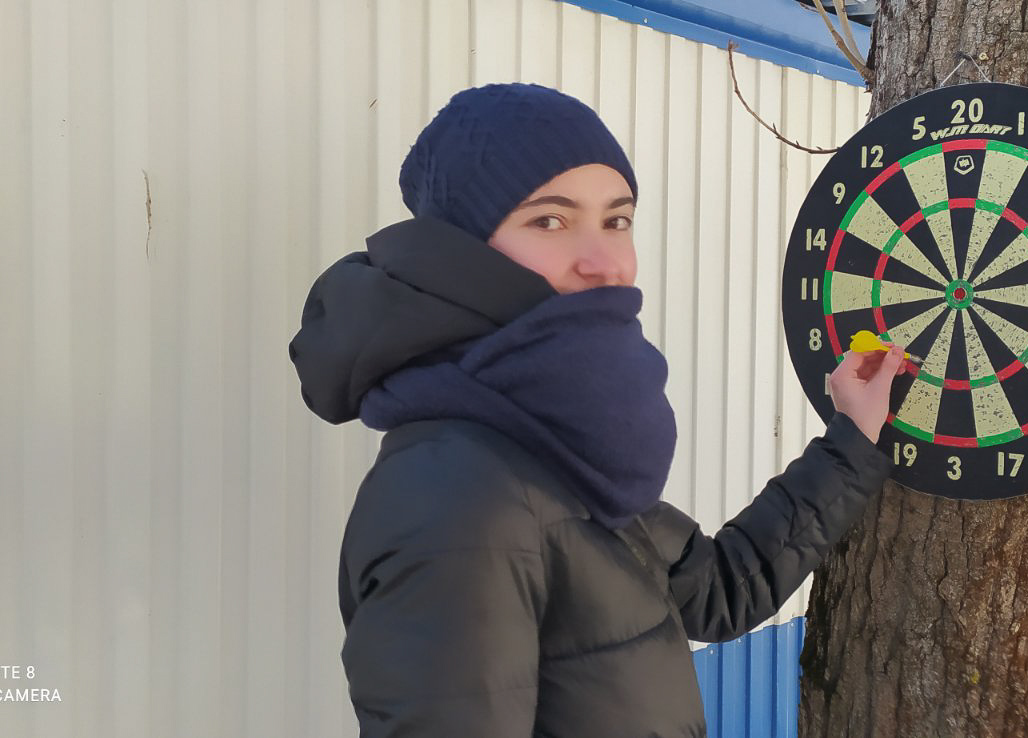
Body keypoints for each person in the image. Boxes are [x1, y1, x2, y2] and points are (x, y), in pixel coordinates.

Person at [288, 83, 909, 735]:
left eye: (617, 220)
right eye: (549, 221)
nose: (606, 263)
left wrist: (852, 439)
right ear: (457, 249)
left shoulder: (552, 434)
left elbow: (718, 591)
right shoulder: (455, 496)